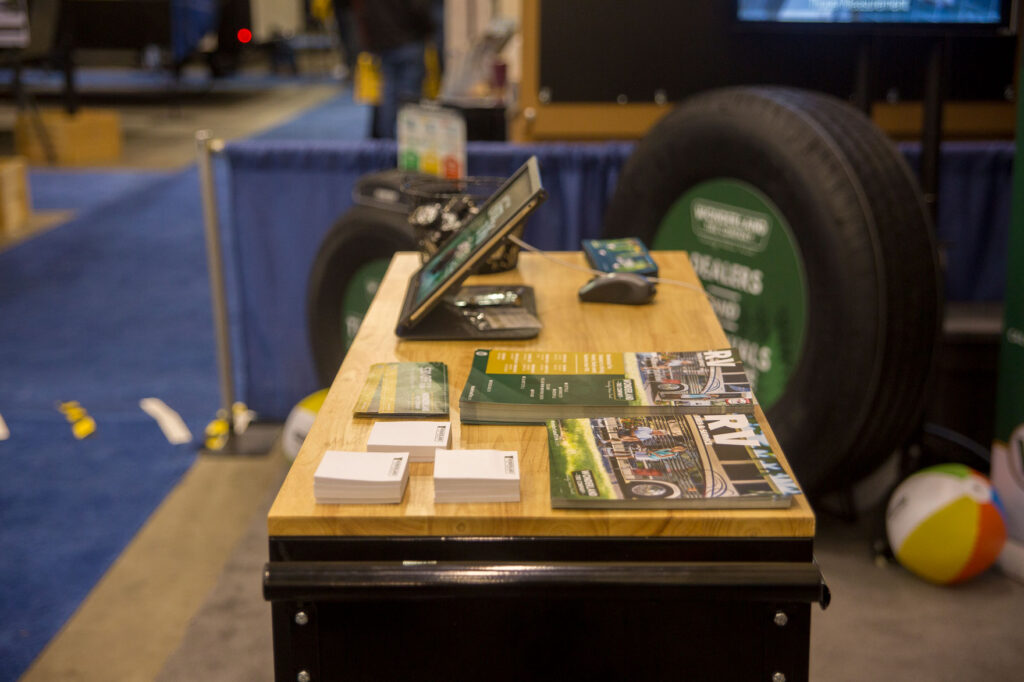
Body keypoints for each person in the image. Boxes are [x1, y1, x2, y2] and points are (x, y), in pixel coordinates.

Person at [340, 0, 435, 138]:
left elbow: (362, 12)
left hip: (384, 44)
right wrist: (428, 30)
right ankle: (409, 140)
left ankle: (387, 143)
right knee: (410, 97)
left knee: (388, 95)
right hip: (409, 41)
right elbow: (418, 8)